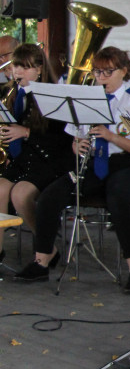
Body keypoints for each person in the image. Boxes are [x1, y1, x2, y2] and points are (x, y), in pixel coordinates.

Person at [15, 47, 130, 293]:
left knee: (118, 198)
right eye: (97, 72)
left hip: (128, 165)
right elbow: (73, 137)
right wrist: (77, 144)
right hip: (94, 164)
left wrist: (111, 137)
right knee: (49, 196)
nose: (101, 78)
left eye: (108, 72)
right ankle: (42, 261)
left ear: (123, 71)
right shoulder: (86, 98)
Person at [0, 44, 74, 256]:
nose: (18, 72)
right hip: (25, 158)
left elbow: (62, 140)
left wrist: (26, 133)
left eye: (25, 67)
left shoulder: (53, 96)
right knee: (0, 189)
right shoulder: (13, 93)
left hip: (50, 160)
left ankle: (46, 248)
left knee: (21, 195)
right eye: (16, 66)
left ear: (40, 69)